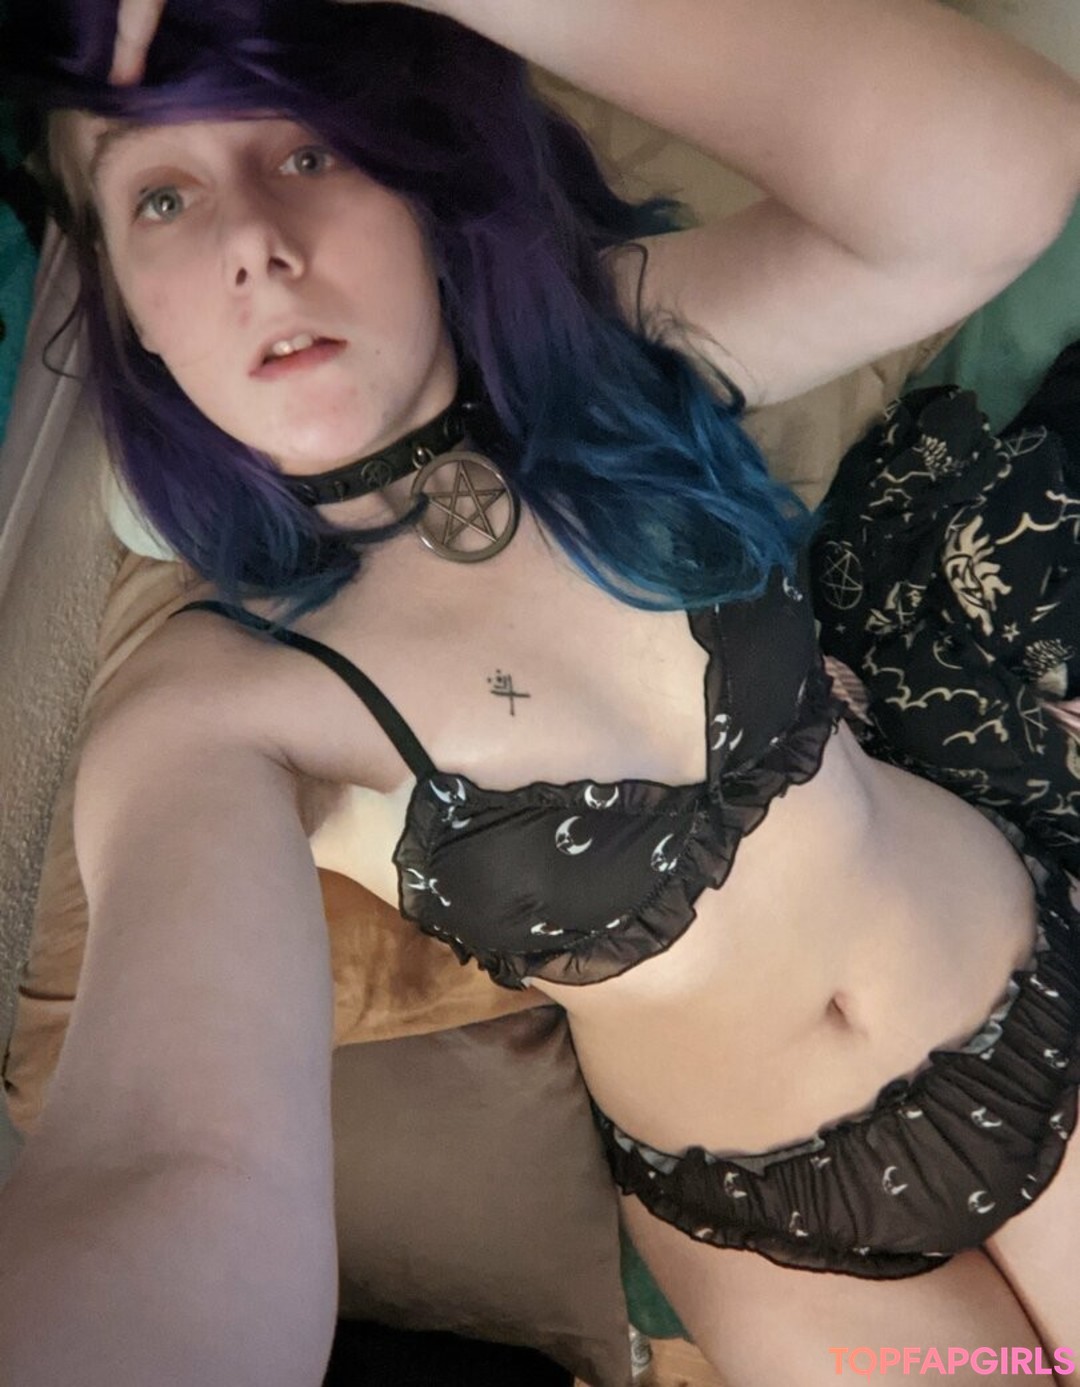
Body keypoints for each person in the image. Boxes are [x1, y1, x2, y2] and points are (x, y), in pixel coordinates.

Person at [0, 1, 1078, 1383]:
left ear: (415, 172)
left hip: (1037, 1004)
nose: (255, 243)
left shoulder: (609, 357)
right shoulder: (213, 709)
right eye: (162, 196)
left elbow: (997, 181)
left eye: (310, 153)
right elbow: (174, 1158)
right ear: (130, 309)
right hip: (783, 1228)